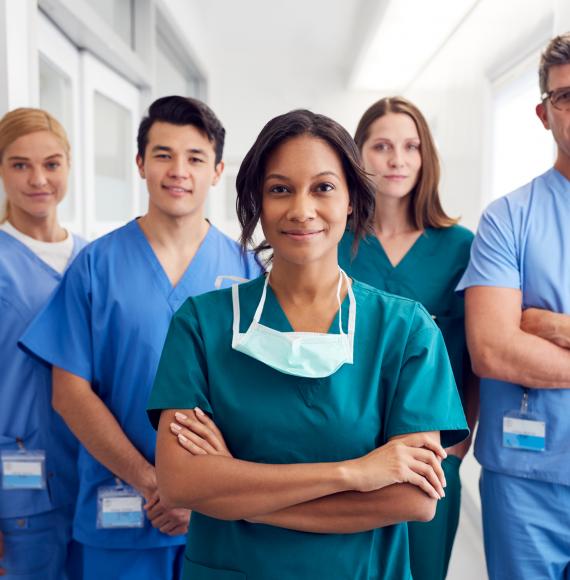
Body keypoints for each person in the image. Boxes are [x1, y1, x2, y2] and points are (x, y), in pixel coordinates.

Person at [146, 109, 468, 580]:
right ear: (257, 200)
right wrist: (354, 473)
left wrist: (238, 494)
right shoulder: (202, 323)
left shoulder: (405, 331)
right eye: (280, 189)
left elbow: (413, 499)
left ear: (354, 200)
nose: (301, 209)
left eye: (323, 187)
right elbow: (180, 483)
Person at [19, 96, 262, 580]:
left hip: (217, 519)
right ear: (140, 164)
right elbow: (69, 394)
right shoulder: (96, 265)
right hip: (121, 508)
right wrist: (155, 483)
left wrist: (199, 492)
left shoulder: (248, 270)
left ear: (216, 171)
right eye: (163, 155)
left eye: (195, 158)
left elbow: (261, 400)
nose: (179, 171)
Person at [337, 96, 479, 580]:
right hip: (343, 453)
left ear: (426, 157)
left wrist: (458, 449)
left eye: (411, 146)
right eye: (382, 146)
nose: (398, 160)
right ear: (358, 155)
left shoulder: (461, 248)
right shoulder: (334, 243)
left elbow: (474, 357)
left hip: (429, 458)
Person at [457, 33, 570, 580]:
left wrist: (547, 326)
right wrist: (518, 334)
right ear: (543, 113)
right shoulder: (508, 218)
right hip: (526, 484)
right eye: (566, 97)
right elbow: (493, 349)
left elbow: (517, 338)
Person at [0, 108, 86, 579]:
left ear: (69, 166)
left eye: (51, 164)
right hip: (16, 490)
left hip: (96, 480)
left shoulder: (94, 258)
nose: (38, 179)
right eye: (19, 165)